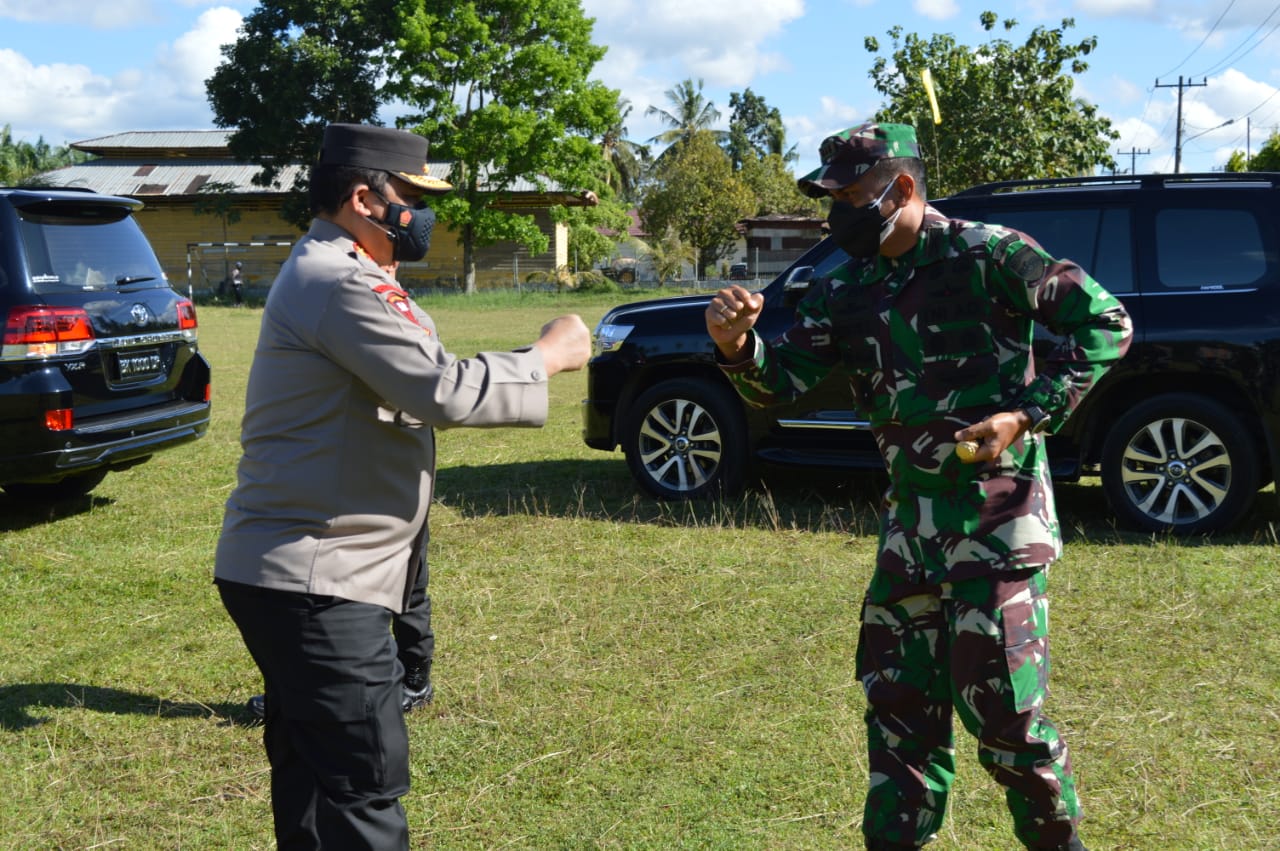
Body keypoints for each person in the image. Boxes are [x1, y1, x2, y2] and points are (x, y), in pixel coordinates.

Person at [705, 122, 1132, 851]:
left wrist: (1025, 416)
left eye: (850, 194)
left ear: (901, 187)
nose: (837, 212)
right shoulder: (845, 285)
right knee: (899, 720)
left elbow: (1106, 322)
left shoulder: (991, 253)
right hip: (909, 539)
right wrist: (738, 346)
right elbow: (787, 383)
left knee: (1007, 724)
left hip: (997, 531)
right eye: (829, 195)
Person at [215, 122, 591, 849]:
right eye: (413, 196)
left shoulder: (343, 270)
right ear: (365, 197)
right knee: (363, 788)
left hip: (299, 571)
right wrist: (546, 356)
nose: (425, 213)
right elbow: (445, 392)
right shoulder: (338, 280)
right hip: (320, 581)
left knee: (312, 779)